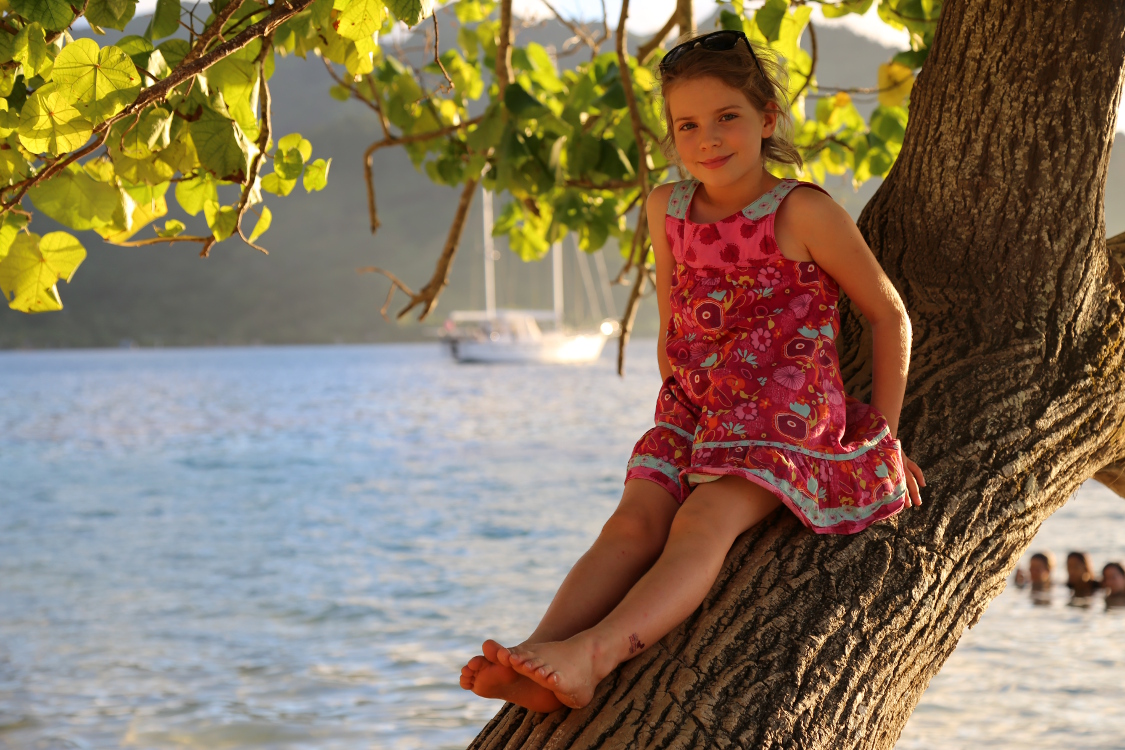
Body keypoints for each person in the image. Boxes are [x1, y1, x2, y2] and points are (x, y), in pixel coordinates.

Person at [459, 29, 925, 712]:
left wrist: (882, 436)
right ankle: (541, 647)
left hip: (781, 415)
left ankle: (595, 653)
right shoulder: (666, 209)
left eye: (726, 117)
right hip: (696, 409)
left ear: (766, 118)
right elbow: (674, 318)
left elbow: (889, 316)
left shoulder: (801, 210)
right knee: (631, 523)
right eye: (687, 125)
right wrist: (680, 408)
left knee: (701, 522)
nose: (708, 138)